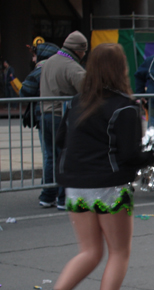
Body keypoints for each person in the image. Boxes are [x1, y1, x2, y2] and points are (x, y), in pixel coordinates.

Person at [40, 43, 154, 290]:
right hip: (110, 186)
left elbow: (63, 139)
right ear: (120, 70)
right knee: (119, 252)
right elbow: (130, 154)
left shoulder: (78, 101)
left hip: (75, 185)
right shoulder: (125, 106)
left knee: (89, 251)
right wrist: (153, 156)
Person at [39, 30, 87, 210]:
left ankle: (47, 195)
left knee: (51, 156)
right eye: (84, 52)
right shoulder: (72, 66)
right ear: (79, 50)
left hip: (45, 114)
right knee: (64, 157)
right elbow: (86, 91)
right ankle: (62, 198)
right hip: (62, 116)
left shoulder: (49, 62)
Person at [19, 42, 59, 137]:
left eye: (34, 56)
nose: (33, 60)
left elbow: (24, 92)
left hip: (43, 114)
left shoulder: (39, 71)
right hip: (61, 114)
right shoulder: (59, 69)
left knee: (48, 149)